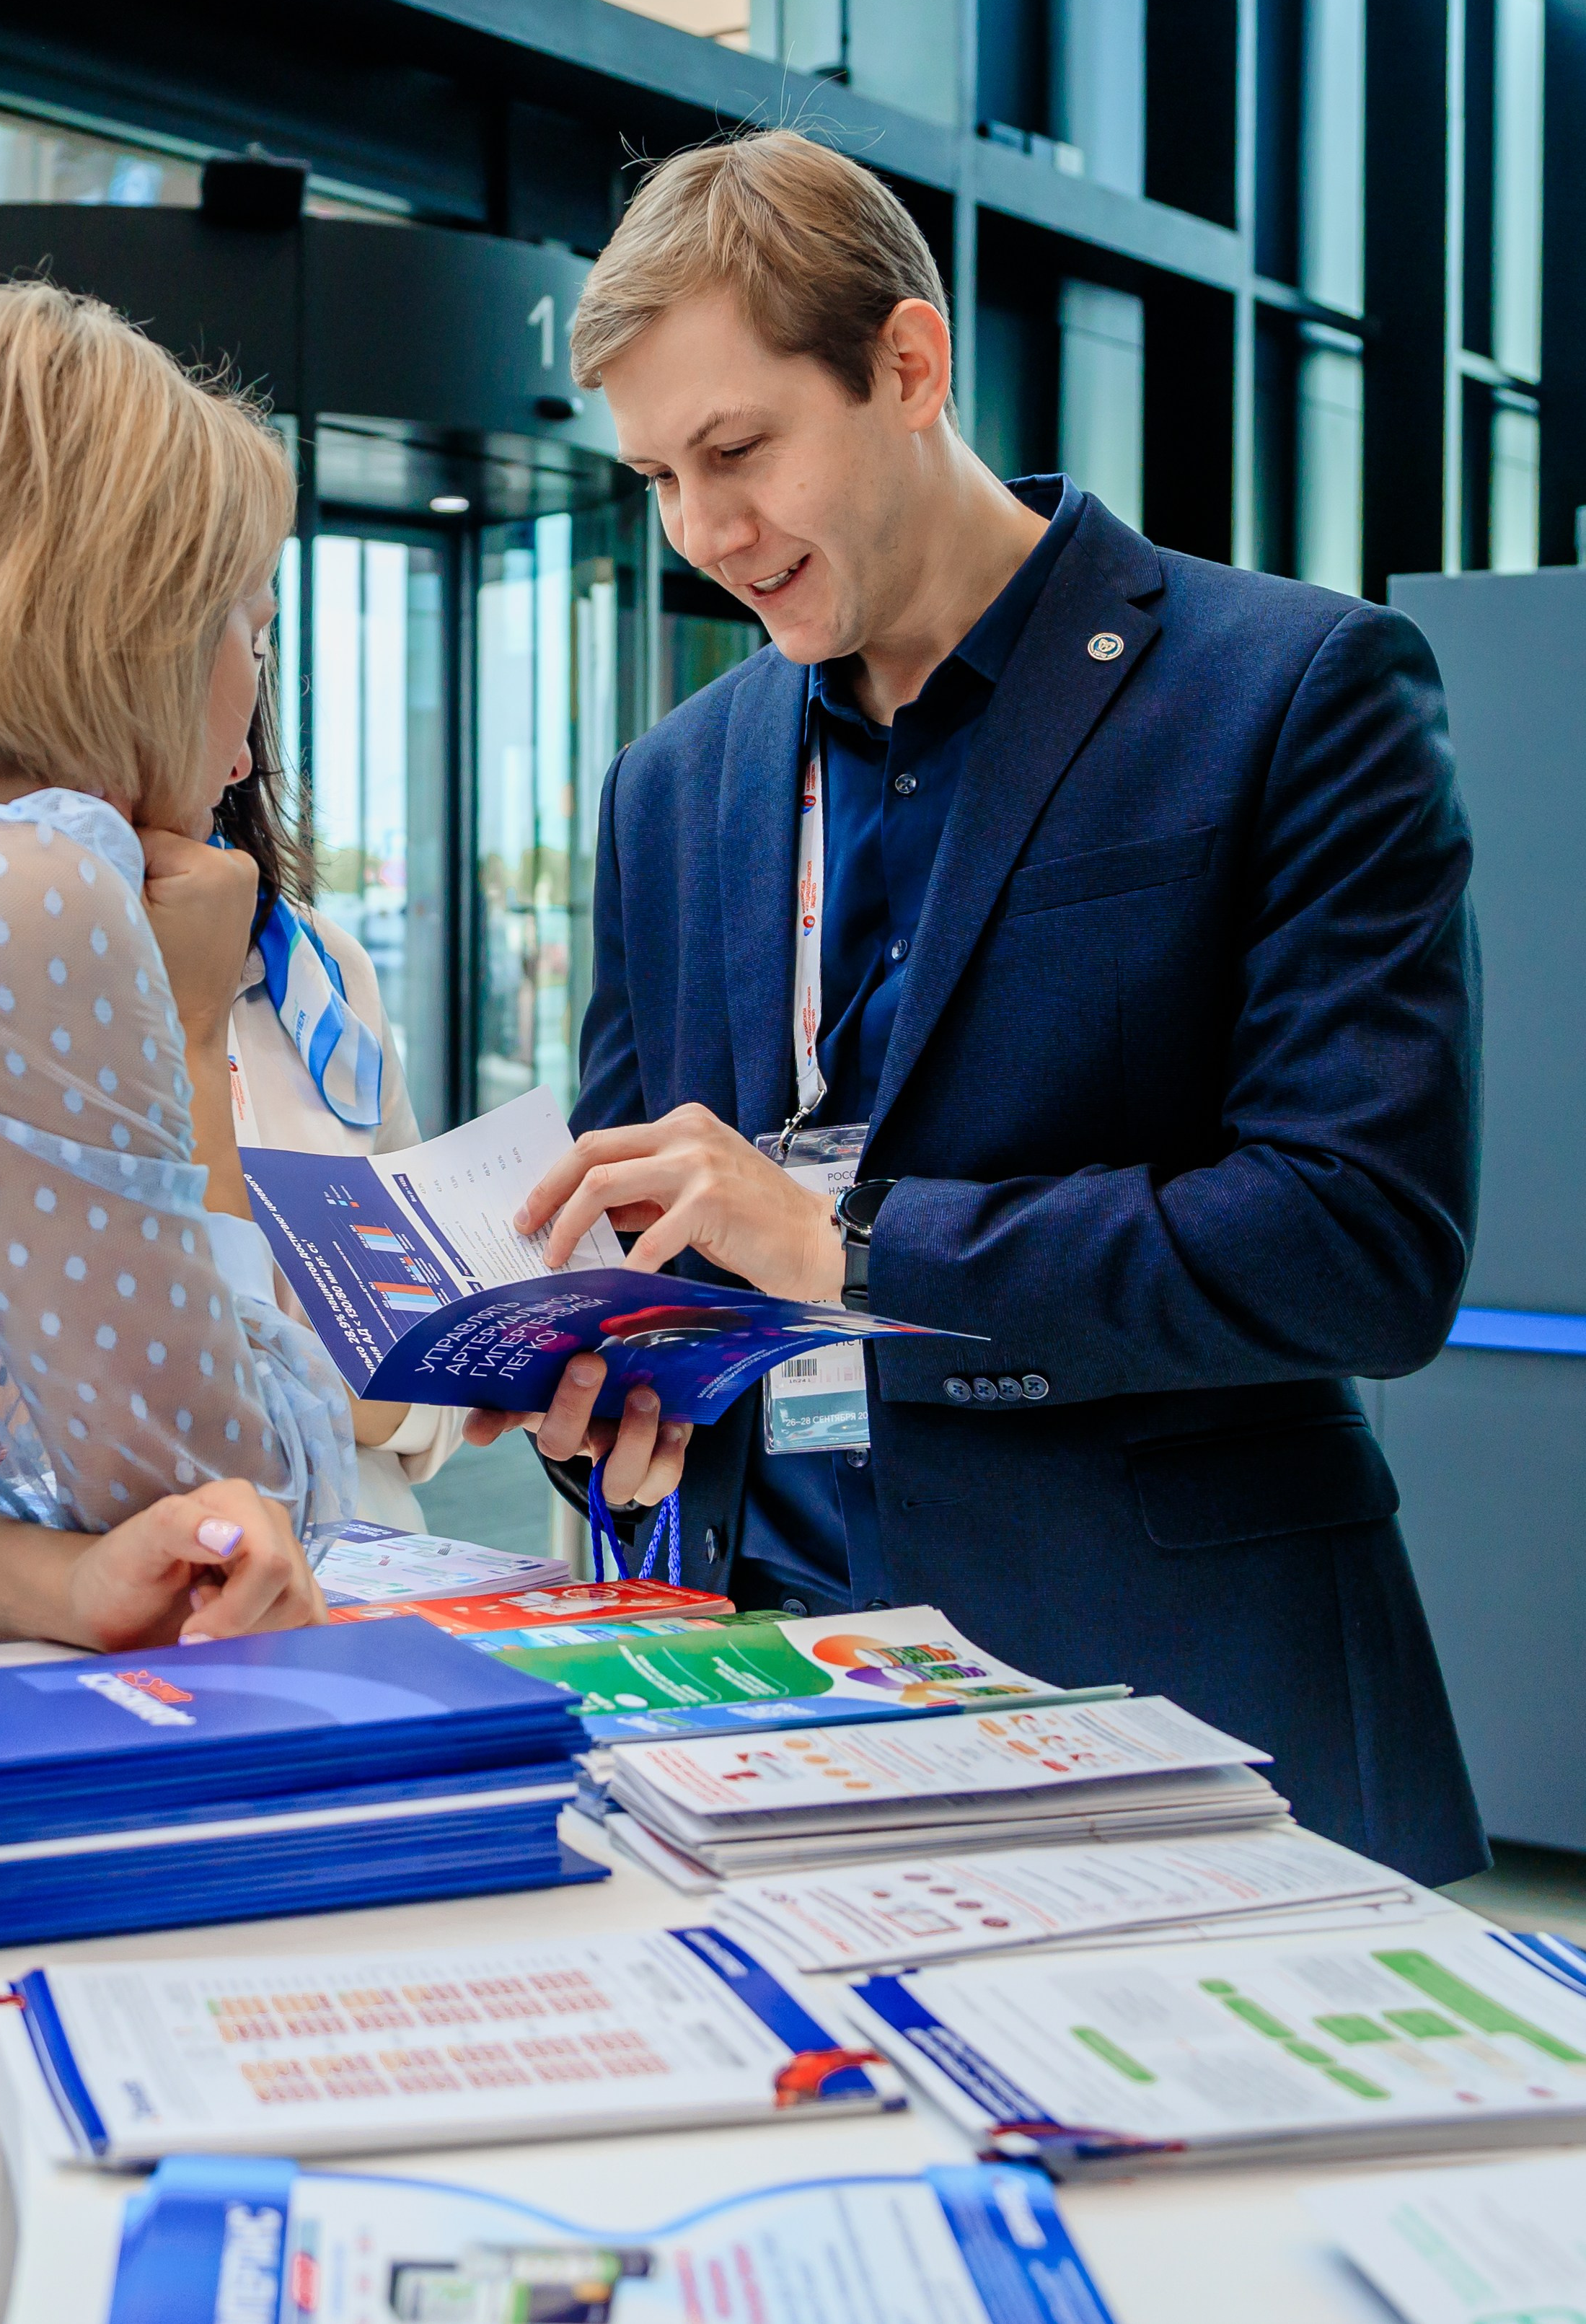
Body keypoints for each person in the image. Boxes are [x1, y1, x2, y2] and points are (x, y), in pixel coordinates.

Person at [477, 129, 1486, 1885]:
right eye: (654, 476)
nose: (705, 534)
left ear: (908, 363)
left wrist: (850, 1245)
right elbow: (654, 1233)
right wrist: (589, 1375)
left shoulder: (1294, 693)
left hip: (1172, 1715)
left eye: (738, 451)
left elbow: (1364, 1240)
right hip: (743, 1717)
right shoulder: (670, 785)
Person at [0, 278, 354, 1648]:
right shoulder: (19, 888)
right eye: (251, 627)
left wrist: (59, 1587)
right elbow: (242, 1504)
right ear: (137, 620)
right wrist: (182, 1017)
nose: (251, 696)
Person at [218, 702, 471, 1529]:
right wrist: (333, 1378)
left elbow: (442, 1379)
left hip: (378, 1570)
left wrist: (311, 1384)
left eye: (259, 646)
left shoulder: (323, 971)